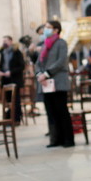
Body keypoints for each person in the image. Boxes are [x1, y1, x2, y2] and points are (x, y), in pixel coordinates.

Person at [35, 20, 74, 148]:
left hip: (58, 82)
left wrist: (46, 74)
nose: (45, 29)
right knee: (51, 112)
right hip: (45, 84)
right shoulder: (45, 45)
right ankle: (55, 139)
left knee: (61, 111)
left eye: (48, 27)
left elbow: (61, 61)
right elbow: (38, 63)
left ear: (56, 30)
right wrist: (39, 75)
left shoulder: (61, 43)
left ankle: (68, 139)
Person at [0, 35, 24, 124]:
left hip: (14, 79)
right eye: (3, 41)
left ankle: (16, 119)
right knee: (8, 100)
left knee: (15, 100)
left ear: (11, 41)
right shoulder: (3, 52)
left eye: (6, 40)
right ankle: (8, 118)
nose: (4, 42)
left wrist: (11, 72)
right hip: (5, 80)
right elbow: (1, 65)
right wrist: (0, 72)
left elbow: (21, 66)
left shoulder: (16, 52)